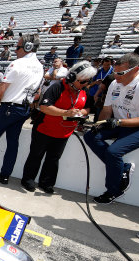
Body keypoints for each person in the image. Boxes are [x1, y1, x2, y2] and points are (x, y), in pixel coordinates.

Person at [84, 53, 139, 204]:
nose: (116, 76)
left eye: (120, 73)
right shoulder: (115, 82)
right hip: (121, 122)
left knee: (113, 152)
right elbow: (106, 110)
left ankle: (113, 190)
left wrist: (117, 122)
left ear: (135, 69)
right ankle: (121, 168)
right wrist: (98, 125)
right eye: (114, 72)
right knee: (90, 136)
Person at [0, 33, 44, 183]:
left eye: (17, 47)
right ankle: (5, 175)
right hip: (24, 110)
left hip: (8, 108)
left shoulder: (16, 64)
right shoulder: (40, 67)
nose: (16, 50)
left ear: (27, 47)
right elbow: (37, 94)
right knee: (13, 143)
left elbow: (1, 90)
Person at [21, 61, 96, 193]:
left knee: (54, 158)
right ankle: (28, 180)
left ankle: (47, 183)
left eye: (87, 81)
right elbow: (44, 107)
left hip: (64, 132)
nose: (85, 84)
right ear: (72, 78)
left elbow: (88, 108)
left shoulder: (84, 90)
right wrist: (65, 113)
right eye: (82, 81)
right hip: (44, 129)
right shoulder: (57, 88)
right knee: (36, 155)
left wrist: (80, 113)